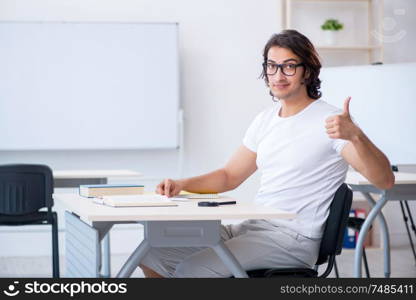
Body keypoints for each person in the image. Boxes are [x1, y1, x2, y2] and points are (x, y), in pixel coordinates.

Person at [139, 29, 395, 278]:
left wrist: (356, 136)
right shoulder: (265, 119)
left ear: (307, 70)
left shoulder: (330, 121)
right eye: (271, 66)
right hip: (253, 228)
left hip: (293, 239)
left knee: (192, 270)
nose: (278, 75)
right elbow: (229, 176)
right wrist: (181, 184)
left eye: (289, 66)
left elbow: (384, 180)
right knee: (154, 256)